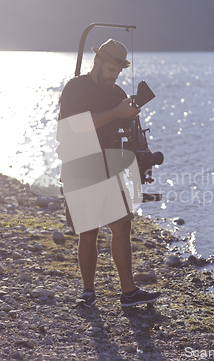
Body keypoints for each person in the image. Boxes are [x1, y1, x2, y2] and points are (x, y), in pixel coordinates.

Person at [57, 39, 161, 308]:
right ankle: (88, 293)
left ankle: (129, 293)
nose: (114, 74)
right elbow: (76, 125)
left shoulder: (117, 93)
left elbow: (130, 124)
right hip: (79, 165)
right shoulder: (75, 88)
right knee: (88, 231)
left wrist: (143, 150)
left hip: (109, 166)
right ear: (97, 62)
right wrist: (116, 112)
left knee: (122, 226)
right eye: (111, 68)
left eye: (119, 70)